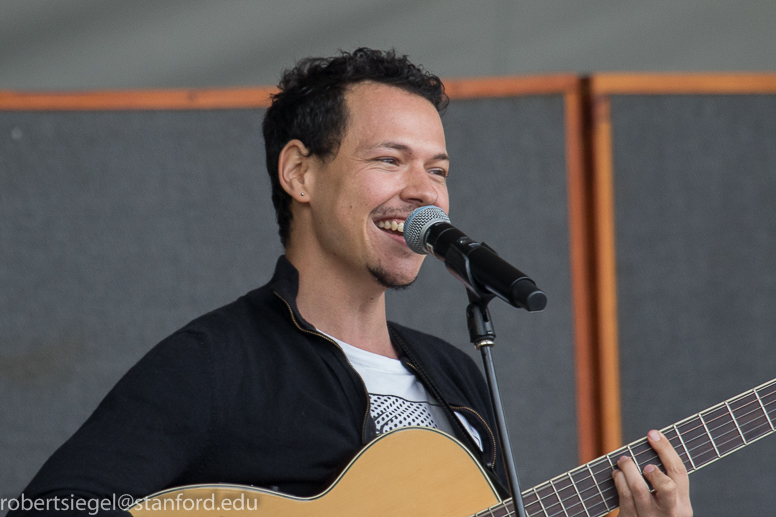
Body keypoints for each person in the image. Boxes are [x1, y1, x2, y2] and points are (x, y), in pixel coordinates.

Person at [9, 48, 692, 517]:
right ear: (300, 173)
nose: (423, 194)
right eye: (389, 160)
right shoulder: (214, 363)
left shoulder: (457, 376)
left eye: (439, 170)